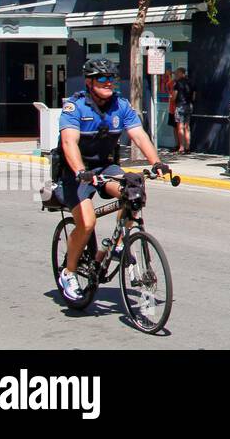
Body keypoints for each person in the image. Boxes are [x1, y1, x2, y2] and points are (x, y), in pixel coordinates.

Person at [55, 57, 170, 302]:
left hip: (106, 166)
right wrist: (79, 171)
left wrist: (156, 162)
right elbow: (69, 142)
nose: (109, 84)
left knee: (134, 193)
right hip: (76, 173)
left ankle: (115, 246)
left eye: (112, 79)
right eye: (102, 79)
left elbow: (139, 135)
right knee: (86, 224)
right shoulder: (75, 108)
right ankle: (69, 272)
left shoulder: (121, 105)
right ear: (89, 82)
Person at [172, 66, 195, 154]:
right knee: (187, 127)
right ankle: (188, 147)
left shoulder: (177, 83)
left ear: (182, 73)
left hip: (180, 105)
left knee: (180, 127)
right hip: (189, 105)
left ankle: (181, 147)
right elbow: (194, 96)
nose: (176, 75)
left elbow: (174, 96)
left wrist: (172, 99)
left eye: (177, 73)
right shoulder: (191, 82)